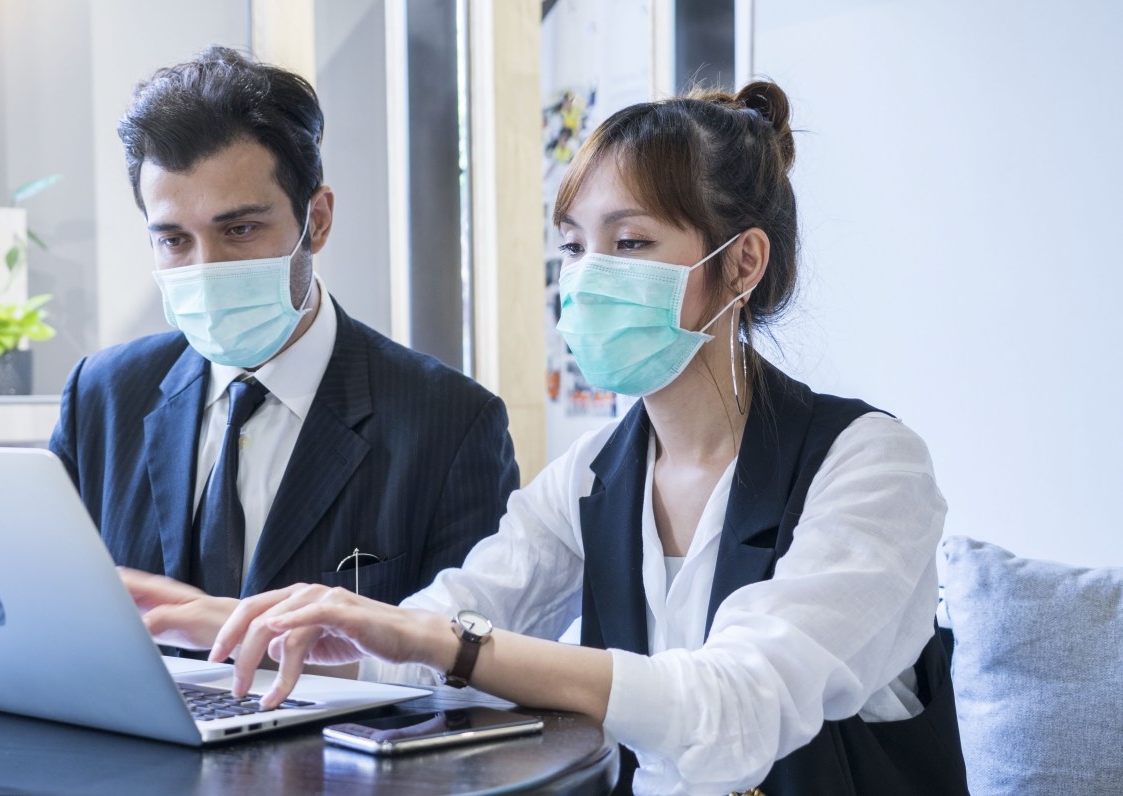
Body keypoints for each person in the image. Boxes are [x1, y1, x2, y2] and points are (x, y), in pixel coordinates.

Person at [146, 81, 971, 794]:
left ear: (742, 263)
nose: (586, 277)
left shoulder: (869, 466)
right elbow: (430, 632)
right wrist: (228, 622)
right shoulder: (592, 477)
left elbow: (736, 703)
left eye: (631, 243)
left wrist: (439, 640)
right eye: (574, 246)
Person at [50, 47, 519, 630]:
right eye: (173, 240)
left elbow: (473, 668)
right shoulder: (103, 395)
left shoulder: (449, 422)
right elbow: (51, 607)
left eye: (240, 229)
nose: (206, 266)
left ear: (317, 220)